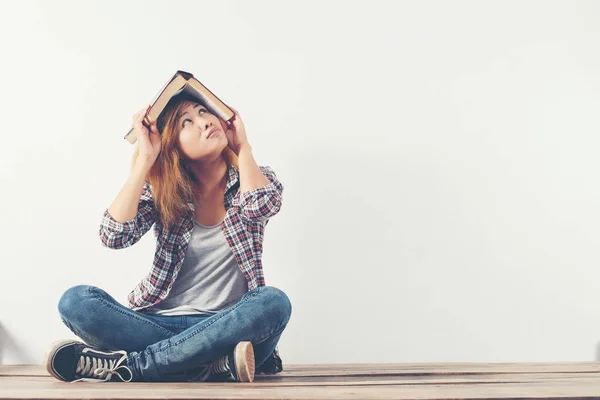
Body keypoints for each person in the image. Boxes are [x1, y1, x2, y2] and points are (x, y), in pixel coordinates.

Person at [44, 92, 292, 383]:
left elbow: (260, 206)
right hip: (158, 324)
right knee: (76, 300)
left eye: (203, 112)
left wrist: (244, 147)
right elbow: (114, 235)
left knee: (272, 302)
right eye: (187, 121)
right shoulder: (165, 191)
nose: (204, 122)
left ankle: (134, 367)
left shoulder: (256, 177)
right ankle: (209, 365)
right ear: (173, 143)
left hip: (228, 325)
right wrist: (145, 161)